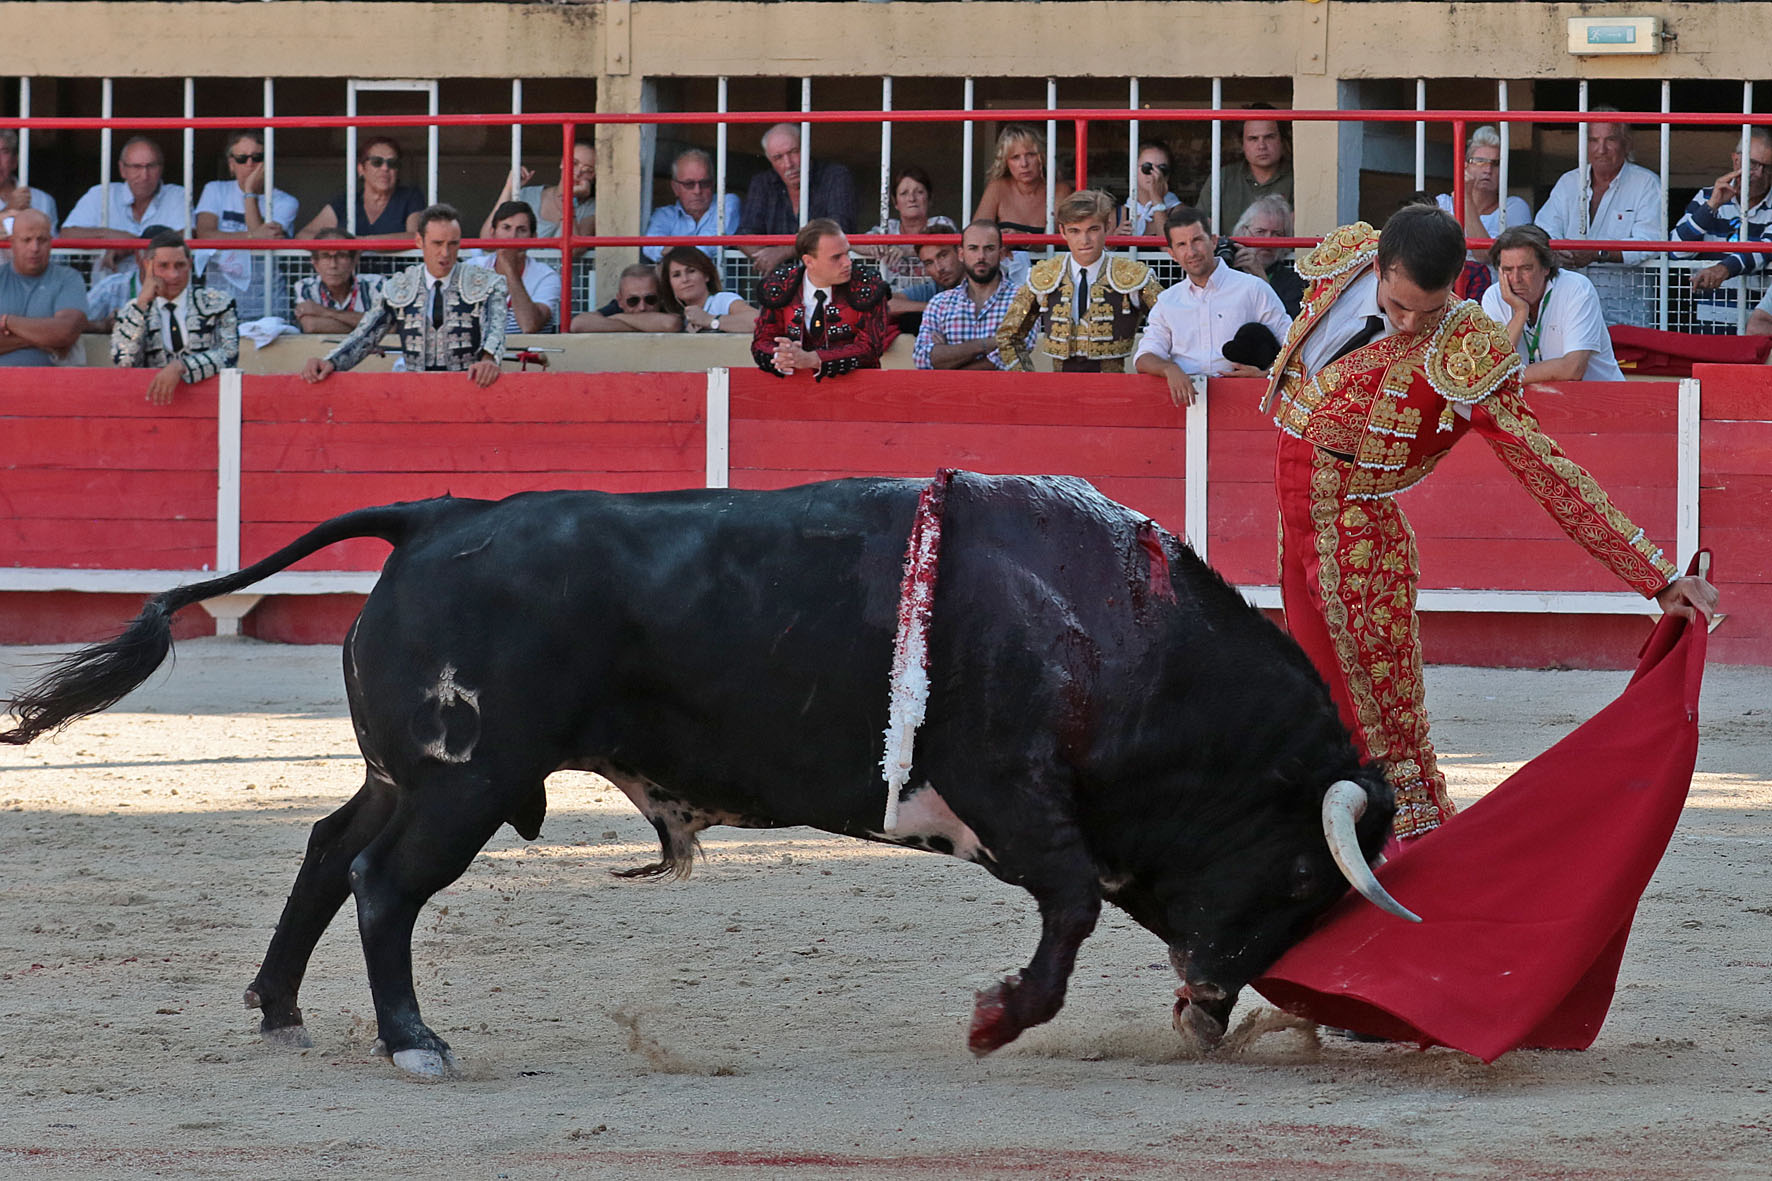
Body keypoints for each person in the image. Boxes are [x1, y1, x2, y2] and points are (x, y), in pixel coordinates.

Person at [1262, 206, 1714, 842]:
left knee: (1392, 740)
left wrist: (1657, 577)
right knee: (1316, 710)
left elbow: (1544, 469)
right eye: (1398, 304)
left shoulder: (1465, 348)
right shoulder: (1342, 263)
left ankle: (1429, 881)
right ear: (1380, 265)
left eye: (1431, 306)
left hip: (1360, 542)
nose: (1412, 323)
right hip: (1295, 527)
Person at [300, 204, 504, 387]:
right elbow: (366, 334)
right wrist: (330, 361)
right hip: (415, 390)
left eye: (452, 244)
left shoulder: (486, 283)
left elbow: (495, 329)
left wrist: (488, 360)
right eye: (437, 243)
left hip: (469, 387)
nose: (445, 253)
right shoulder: (399, 286)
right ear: (419, 242)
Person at [1134, 207, 1292, 406]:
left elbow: (1293, 345)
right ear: (1172, 254)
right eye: (1182, 245)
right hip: (1186, 406)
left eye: (1197, 240)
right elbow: (1144, 357)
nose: (1191, 252)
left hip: (1246, 402)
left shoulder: (1253, 288)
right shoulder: (1167, 301)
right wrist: (1169, 369)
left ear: (1214, 241)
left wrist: (1265, 374)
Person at [995, 189, 1164, 374]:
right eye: (1074, 231)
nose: (1084, 240)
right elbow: (1007, 337)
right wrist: (1029, 381)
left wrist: (1155, 375)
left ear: (1107, 226)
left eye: (1093, 229)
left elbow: (1171, 326)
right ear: (1062, 231)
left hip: (1114, 392)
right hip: (1060, 392)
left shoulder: (1133, 276)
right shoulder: (1044, 275)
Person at [1533, 112, 1662, 328]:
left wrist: (1597, 253)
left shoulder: (1646, 184)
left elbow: (1650, 243)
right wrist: (1556, 250)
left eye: (1610, 140)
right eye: (1593, 140)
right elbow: (1543, 232)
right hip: (1569, 309)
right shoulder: (1568, 182)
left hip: (1624, 314)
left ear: (1626, 144)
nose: (1601, 149)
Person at [751, 218, 893, 379]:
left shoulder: (868, 286)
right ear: (809, 261)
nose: (847, 263)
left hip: (856, 389)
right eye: (836, 257)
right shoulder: (780, 286)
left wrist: (814, 359)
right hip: (793, 388)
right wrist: (781, 356)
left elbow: (870, 348)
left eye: (847, 253)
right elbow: (761, 341)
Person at [109, 229, 237, 405]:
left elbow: (229, 354)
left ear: (190, 264)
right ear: (147, 266)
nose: (173, 275)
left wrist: (181, 366)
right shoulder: (133, 311)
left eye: (180, 265)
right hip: (152, 406)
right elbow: (123, 363)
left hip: (211, 403)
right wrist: (141, 305)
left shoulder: (218, 303)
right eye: (163, 266)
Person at [1482, 224, 1624, 383]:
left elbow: (1573, 369)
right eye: (1507, 270)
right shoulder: (1493, 296)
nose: (1515, 279)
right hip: (1533, 399)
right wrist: (1520, 312)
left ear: (1546, 268)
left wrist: (1506, 377)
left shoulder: (1577, 288)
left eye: (1526, 268)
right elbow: (1493, 365)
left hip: (1597, 398)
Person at [193, 131, 301, 320]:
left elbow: (263, 243)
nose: (250, 164)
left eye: (258, 157)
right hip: (218, 304)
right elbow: (205, 234)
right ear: (231, 164)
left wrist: (250, 192)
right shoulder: (215, 190)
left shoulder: (286, 201)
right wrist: (252, 237)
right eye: (242, 158)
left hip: (266, 303)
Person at [1672, 128, 1772, 327]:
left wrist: (1723, 269)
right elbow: (1675, 250)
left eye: (1768, 167)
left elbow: (1766, 249)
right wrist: (1711, 207)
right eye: (1753, 164)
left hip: (1757, 325)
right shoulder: (1707, 197)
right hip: (1707, 321)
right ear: (1736, 160)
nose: (1759, 174)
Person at [737, 123, 857, 274]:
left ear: (807, 147)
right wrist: (769, 260)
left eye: (794, 152)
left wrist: (783, 252)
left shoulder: (835, 176)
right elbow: (745, 235)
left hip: (829, 275)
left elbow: (838, 228)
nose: (789, 164)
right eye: (778, 157)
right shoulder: (762, 183)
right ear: (770, 161)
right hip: (780, 281)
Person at [62, 136, 189, 277]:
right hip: (108, 292)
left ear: (161, 168)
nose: (144, 175)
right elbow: (67, 235)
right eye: (136, 167)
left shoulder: (177, 195)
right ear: (122, 169)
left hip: (162, 289)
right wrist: (110, 236)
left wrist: (129, 245)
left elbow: (186, 236)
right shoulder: (101, 194)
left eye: (151, 166)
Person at [914, 220, 1018, 371]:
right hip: (950, 394)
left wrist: (948, 358)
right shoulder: (939, 303)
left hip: (1002, 392)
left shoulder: (1021, 298)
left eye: (989, 248)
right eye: (973, 249)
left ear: (1001, 254)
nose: (981, 256)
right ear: (961, 254)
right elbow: (923, 359)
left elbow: (1011, 358)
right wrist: (987, 344)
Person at [859, 164, 959, 306]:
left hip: (936, 293)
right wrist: (875, 247)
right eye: (904, 193)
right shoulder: (887, 228)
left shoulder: (940, 222)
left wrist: (904, 249)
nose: (912, 198)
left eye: (919, 192)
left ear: (929, 198)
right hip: (895, 300)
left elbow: (940, 247)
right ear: (895, 202)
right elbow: (852, 243)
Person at [0, 209, 86, 367]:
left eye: (42, 240)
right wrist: (45, 339)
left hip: (55, 385)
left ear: (51, 242)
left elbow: (65, 332)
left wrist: (8, 322)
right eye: (26, 240)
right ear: (12, 242)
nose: (35, 247)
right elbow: (59, 340)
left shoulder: (68, 278)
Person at [296, 136, 426, 238]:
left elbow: (415, 236)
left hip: (398, 273)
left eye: (392, 163)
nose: (385, 168)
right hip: (353, 272)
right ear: (361, 169)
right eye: (377, 162)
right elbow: (303, 236)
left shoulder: (410, 197)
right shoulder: (347, 202)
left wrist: (362, 243)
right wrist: (341, 243)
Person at [465, 200, 561, 334]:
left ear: (533, 238)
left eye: (521, 230)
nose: (512, 236)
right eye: (506, 228)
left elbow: (529, 326)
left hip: (523, 353)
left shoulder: (546, 276)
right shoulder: (472, 267)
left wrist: (509, 269)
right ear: (492, 233)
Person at [481, 138, 596, 242]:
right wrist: (509, 187)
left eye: (588, 170)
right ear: (562, 162)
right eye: (574, 163)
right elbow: (487, 240)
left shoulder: (591, 208)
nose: (578, 173)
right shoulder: (528, 195)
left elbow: (575, 250)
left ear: (594, 176)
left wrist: (569, 198)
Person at [1435, 125, 1534, 241]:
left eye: (1496, 163)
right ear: (1465, 166)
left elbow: (1485, 255)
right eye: (1480, 161)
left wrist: (1466, 198)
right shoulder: (1443, 205)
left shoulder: (1513, 207)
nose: (1488, 170)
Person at [973, 123, 1074, 236]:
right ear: (1005, 162)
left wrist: (1019, 237)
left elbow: (1051, 240)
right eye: (1015, 157)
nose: (1024, 164)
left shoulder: (1059, 189)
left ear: (1043, 156)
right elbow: (977, 235)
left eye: (1031, 155)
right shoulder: (997, 187)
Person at [643, 148, 741, 263]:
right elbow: (650, 246)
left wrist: (673, 251)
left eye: (705, 183)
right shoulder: (664, 215)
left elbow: (711, 239)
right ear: (675, 188)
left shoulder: (726, 203)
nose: (697, 191)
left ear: (713, 184)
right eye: (689, 184)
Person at [291, 228, 383, 334]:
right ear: (315, 263)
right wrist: (369, 328)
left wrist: (324, 312)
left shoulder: (374, 284)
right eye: (325, 256)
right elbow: (311, 325)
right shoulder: (305, 286)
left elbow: (388, 325)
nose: (333, 265)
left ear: (353, 261)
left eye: (341, 256)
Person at [1225, 193, 1305, 316]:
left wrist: (1261, 278)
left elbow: (1290, 324)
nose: (1268, 240)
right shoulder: (1227, 271)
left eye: (1276, 234)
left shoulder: (1295, 282)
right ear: (1243, 231)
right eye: (1260, 232)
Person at [85, 223, 171, 334]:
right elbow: (74, 322)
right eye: (155, 258)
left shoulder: (184, 290)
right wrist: (103, 325)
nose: (165, 268)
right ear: (138, 256)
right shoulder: (112, 286)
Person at [1219, 104, 1293, 233]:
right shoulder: (1223, 177)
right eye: (1253, 139)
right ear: (1242, 144)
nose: (1261, 146)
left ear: (1283, 140)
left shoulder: (1298, 178)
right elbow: (1203, 225)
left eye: (1269, 137)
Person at [657, 245, 757, 336]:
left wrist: (711, 320)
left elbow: (757, 321)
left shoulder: (722, 300)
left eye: (691, 271)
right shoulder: (671, 311)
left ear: (706, 275)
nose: (685, 279)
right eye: (676, 275)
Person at [567, 263, 680, 333]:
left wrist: (619, 317)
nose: (642, 307)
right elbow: (578, 324)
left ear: (660, 297)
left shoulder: (617, 315)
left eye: (650, 299)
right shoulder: (615, 306)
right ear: (620, 301)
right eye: (633, 301)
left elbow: (671, 324)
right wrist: (646, 325)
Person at [1116, 141, 1181, 238]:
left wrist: (1157, 200)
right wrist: (1113, 240)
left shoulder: (1180, 212)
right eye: (1147, 168)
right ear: (1133, 170)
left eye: (1162, 169)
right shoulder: (1117, 214)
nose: (1154, 174)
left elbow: (1167, 248)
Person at [0, 129, 59, 234]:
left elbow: (49, 245)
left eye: (4, 152)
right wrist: (9, 210)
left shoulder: (43, 200)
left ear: (15, 160)